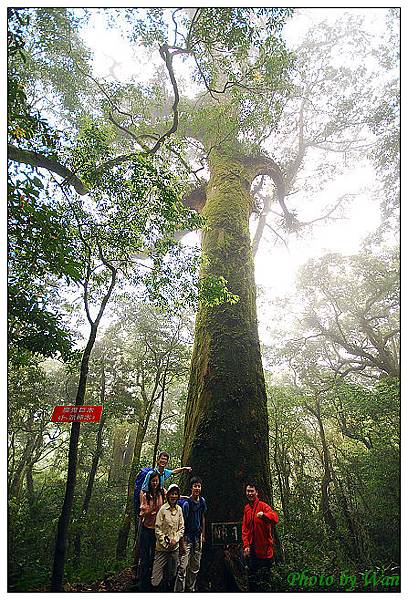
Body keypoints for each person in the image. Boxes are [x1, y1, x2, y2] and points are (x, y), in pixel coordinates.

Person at [241, 481, 279, 592]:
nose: (250, 493)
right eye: (248, 491)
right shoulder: (247, 508)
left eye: (252, 491)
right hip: (252, 550)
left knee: (266, 579)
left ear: (257, 492)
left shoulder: (263, 506)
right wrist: (246, 545)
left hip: (265, 550)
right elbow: (245, 529)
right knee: (253, 578)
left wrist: (264, 515)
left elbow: (275, 518)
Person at [174, 476, 207, 592]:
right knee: (182, 566)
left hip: (197, 538)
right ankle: (179, 591)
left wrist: (203, 534)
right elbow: (182, 524)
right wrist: (182, 542)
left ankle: (191, 588)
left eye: (199, 486)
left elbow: (203, 517)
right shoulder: (187, 504)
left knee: (195, 566)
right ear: (191, 488)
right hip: (187, 538)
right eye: (195, 486)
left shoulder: (202, 501)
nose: (197, 488)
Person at [151, 483, 184, 591]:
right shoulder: (163, 510)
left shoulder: (179, 509)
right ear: (168, 495)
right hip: (161, 549)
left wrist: (175, 540)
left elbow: (181, 528)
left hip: (174, 549)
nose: (174, 496)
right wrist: (166, 542)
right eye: (172, 494)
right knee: (155, 580)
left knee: (172, 575)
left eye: (176, 494)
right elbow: (157, 529)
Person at [138, 470, 165, 591]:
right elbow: (142, 513)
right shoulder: (146, 495)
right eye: (153, 481)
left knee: (156, 556)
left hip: (157, 531)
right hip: (146, 530)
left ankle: (153, 582)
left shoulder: (161, 493)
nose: (155, 483)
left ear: (159, 482)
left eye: (156, 480)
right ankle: (143, 584)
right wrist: (152, 510)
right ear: (150, 482)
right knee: (145, 557)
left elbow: (174, 496)